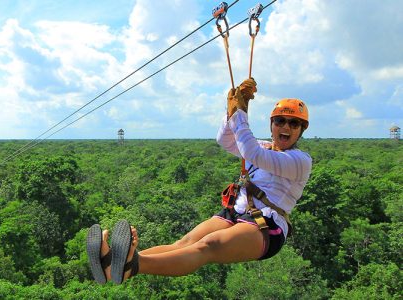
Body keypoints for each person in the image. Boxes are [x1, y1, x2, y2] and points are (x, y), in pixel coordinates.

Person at [86, 78, 312, 284]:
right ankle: (114, 264)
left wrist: (239, 114)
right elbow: (225, 140)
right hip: (237, 212)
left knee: (208, 246)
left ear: (301, 131)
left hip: (267, 226)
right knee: (184, 243)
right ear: (272, 124)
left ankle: (130, 266)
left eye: (294, 124)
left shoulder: (299, 160)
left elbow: (252, 153)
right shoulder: (263, 146)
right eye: (281, 120)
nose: (286, 127)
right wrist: (230, 112)